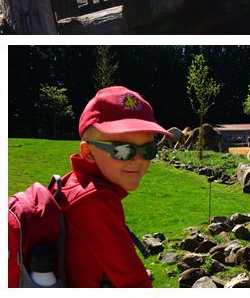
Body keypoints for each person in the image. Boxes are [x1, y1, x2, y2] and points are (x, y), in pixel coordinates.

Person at [57, 85, 170, 287]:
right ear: (89, 153)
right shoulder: (95, 201)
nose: (138, 160)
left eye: (148, 150)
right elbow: (134, 283)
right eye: (123, 150)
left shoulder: (72, 182)